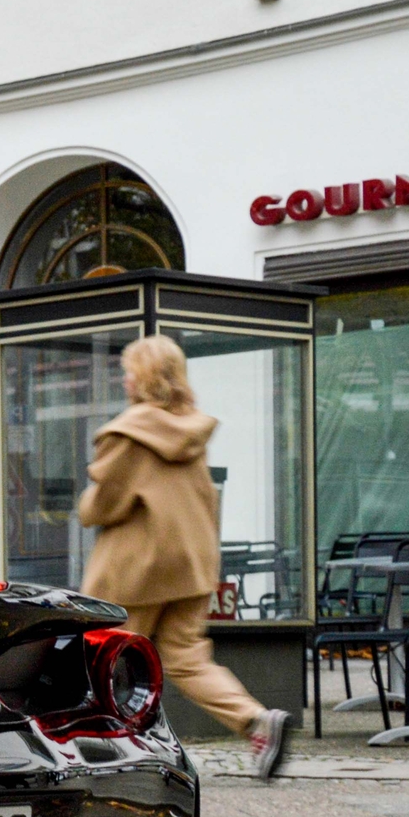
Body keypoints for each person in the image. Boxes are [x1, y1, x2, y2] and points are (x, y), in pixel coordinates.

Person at [77, 334, 292, 780]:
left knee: (102, 659)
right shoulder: (191, 429)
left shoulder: (130, 432)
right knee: (187, 658)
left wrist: (85, 503)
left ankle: (105, 754)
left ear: (147, 377)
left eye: (130, 369)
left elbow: (104, 506)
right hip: (190, 567)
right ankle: (255, 721)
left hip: (136, 571)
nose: (125, 377)